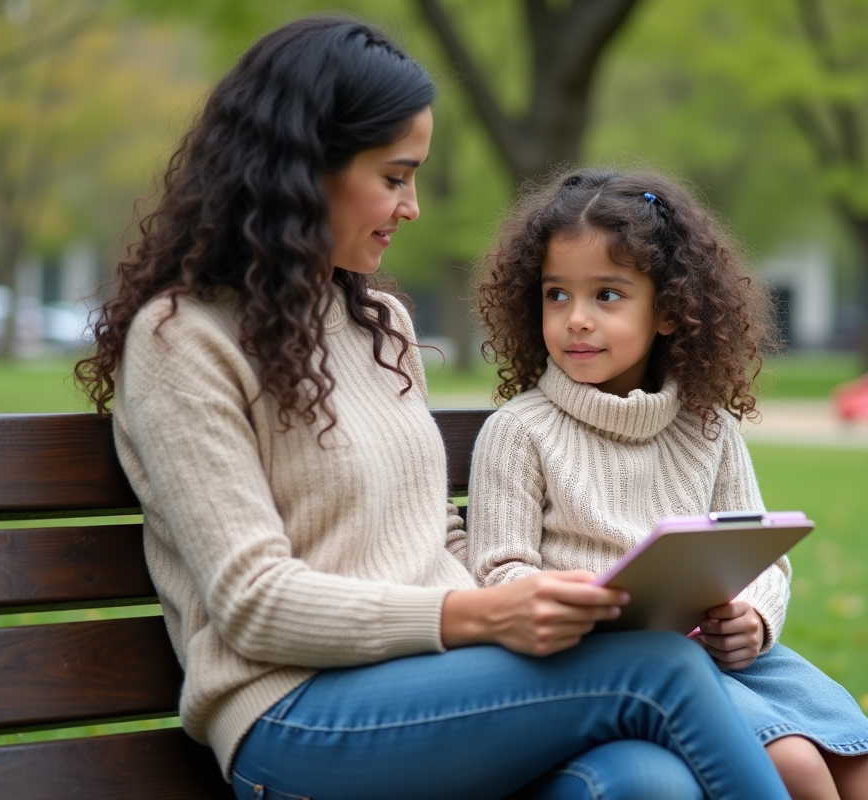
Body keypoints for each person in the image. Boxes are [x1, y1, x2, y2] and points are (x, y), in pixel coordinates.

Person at [75, 16, 794, 800]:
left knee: (644, 784)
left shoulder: (375, 324)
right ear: (302, 169)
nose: (411, 206)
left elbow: (427, 527)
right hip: (296, 715)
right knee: (663, 665)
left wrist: (529, 612)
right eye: (394, 175)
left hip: (443, 686)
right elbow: (254, 605)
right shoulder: (183, 342)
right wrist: (480, 616)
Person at [466, 168, 868, 800]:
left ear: (670, 313)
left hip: (729, 656)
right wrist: (572, 599)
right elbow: (497, 569)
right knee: (796, 769)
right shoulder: (521, 432)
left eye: (608, 295)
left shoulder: (707, 425)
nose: (577, 319)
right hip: (616, 667)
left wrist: (753, 617)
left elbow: (760, 553)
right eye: (556, 295)